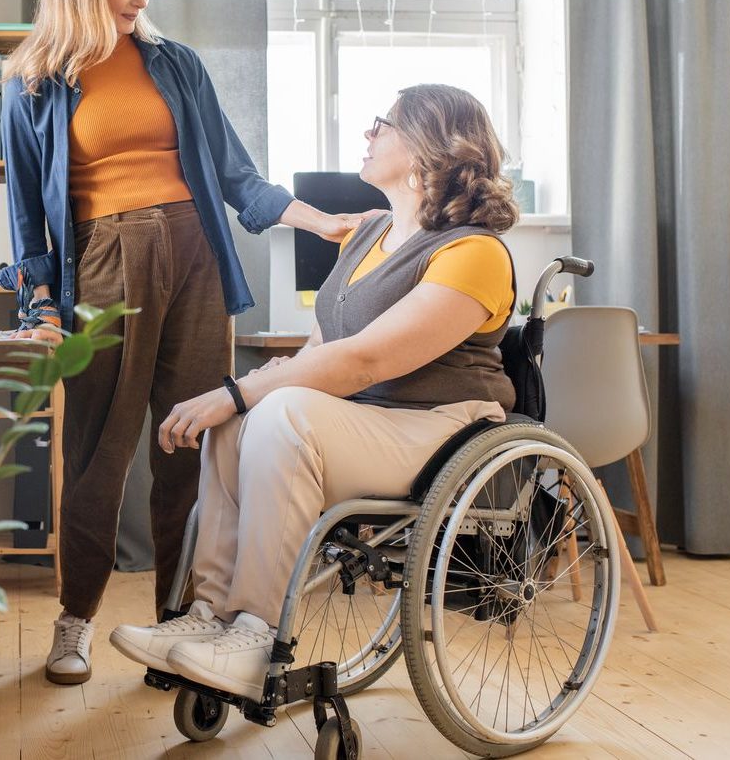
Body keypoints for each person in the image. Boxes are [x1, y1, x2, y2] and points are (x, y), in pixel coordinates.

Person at [0, 0, 365, 685]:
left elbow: (238, 178)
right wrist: (43, 308)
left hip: (196, 254)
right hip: (104, 263)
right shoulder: (33, 83)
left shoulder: (177, 65)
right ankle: (75, 619)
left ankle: (178, 624)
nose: (138, 0)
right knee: (98, 453)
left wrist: (318, 218)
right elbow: (29, 220)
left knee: (191, 445)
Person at [110, 83, 520, 701]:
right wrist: (238, 400)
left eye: (384, 123)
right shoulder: (368, 233)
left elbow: (366, 359)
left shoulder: (475, 252)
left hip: (441, 426)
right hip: (365, 423)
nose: (368, 133)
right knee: (242, 418)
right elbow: (317, 354)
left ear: (425, 147)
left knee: (280, 410)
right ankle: (211, 616)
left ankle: (257, 632)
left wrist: (240, 390)